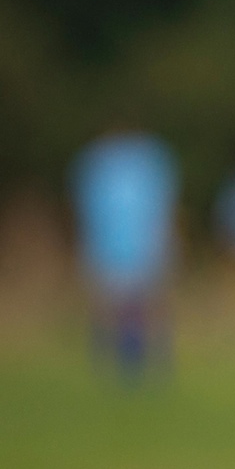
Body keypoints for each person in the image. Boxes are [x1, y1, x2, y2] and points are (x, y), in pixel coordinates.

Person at [72, 131, 179, 380]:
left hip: (139, 250)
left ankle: (146, 365)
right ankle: (113, 365)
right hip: (116, 250)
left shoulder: (147, 161)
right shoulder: (100, 164)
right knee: (114, 310)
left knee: (144, 310)